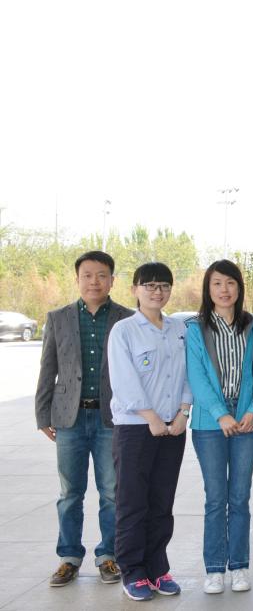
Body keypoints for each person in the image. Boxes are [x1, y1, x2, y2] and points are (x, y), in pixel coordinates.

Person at [35, 250, 133, 587]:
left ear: (112, 280)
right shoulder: (58, 318)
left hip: (111, 419)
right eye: (87, 275)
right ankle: (69, 557)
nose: (94, 281)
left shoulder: (126, 318)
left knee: (112, 492)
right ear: (78, 279)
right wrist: (42, 414)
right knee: (70, 493)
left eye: (101, 275)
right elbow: (48, 368)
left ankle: (108, 556)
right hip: (69, 418)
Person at [107, 262, 192, 601]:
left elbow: (188, 373)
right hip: (136, 429)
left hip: (174, 426)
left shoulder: (178, 329)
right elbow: (124, 379)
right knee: (132, 501)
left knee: (161, 501)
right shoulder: (124, 330)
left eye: (164, 286)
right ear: (135, 289)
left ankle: (157, 567)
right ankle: (132, 571)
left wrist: (184, 412)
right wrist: (151, 417)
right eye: (150, 285)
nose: (158, 292)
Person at [186, 259, 253, 594]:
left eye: (230, 283)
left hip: (246, 421)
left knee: (240, 497)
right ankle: (215, 568)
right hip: (209, 424)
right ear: (208, 288)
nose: (224, 289)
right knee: (216, 498)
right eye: (217, 283)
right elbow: (197, 377)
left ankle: (240, 566)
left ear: (239, 288)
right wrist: (220, 414)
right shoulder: (195, 328)